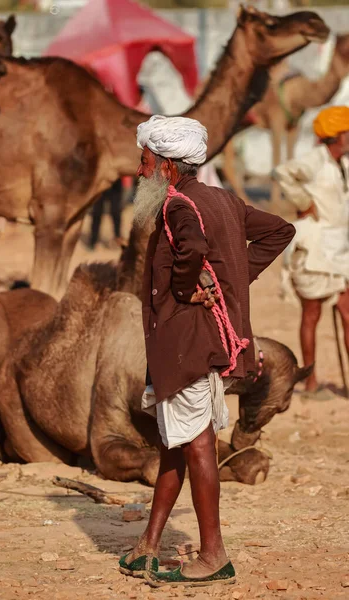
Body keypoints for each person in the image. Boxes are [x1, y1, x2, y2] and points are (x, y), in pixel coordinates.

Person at [119, 115, 295, 588]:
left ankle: (213, 554)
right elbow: (280, 230)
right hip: (205, 340)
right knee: (174, 443)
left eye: (145, 162)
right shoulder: (223, 199)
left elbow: (192, 247)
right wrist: (232, 275)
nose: (140, 172)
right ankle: (148, 546)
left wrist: (185, 286)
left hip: (189, 342)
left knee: (196, 444)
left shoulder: (178, 206)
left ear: (168, 167)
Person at [274, 105, 349, 399]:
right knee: (312, 314)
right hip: (314, 249)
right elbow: (282, 172)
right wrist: (303, 201)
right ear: (337, 135)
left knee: (346, 313)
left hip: (340, 251)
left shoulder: (342, 163)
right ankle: (311, 381)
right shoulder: (314, 161)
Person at [88, 178, 123, 249]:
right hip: (101, 181)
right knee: (97, 213)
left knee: (116, 212)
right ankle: (93, 241)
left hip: (115, 183)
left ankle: (118, 239)